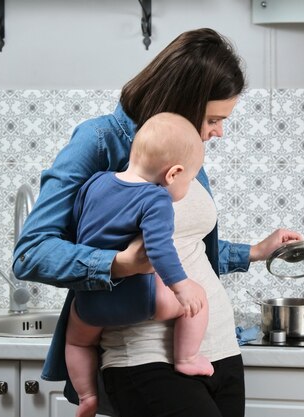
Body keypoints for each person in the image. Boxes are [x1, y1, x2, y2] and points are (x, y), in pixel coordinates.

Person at [13, 27, 303, 417]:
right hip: (145, 358)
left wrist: (253, 252)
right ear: (183, 101)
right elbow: (31, 254)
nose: (219, 131)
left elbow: (181, 247)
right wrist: (119, 264)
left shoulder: (182, 148)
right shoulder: (99, 141)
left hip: (219, 351)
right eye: (214, 118)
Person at [66, 112, 212, 417]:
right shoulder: (156, 198)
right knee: (198, 300)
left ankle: (87, 395)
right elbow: (160, 249)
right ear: (173, 174)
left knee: (77, 343)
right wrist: (182, 287)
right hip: (140, 299)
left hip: (90, 301)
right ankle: (187, 358)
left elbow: (77, 224)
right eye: (187, 181)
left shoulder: (96, 182)